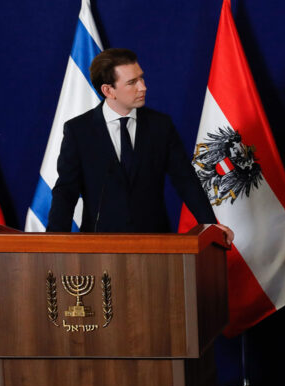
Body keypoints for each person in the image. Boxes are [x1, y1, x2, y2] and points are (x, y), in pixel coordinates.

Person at [47, 48, 234, 243]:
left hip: (156, 243)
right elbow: (66, 191)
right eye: (132, 82)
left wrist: (210, 224)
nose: (143, 87)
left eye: (141, 78)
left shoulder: (160, 126)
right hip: (99, 245)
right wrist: (53, 241)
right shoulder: (79, 130)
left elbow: (185, 180)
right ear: (108, 90)